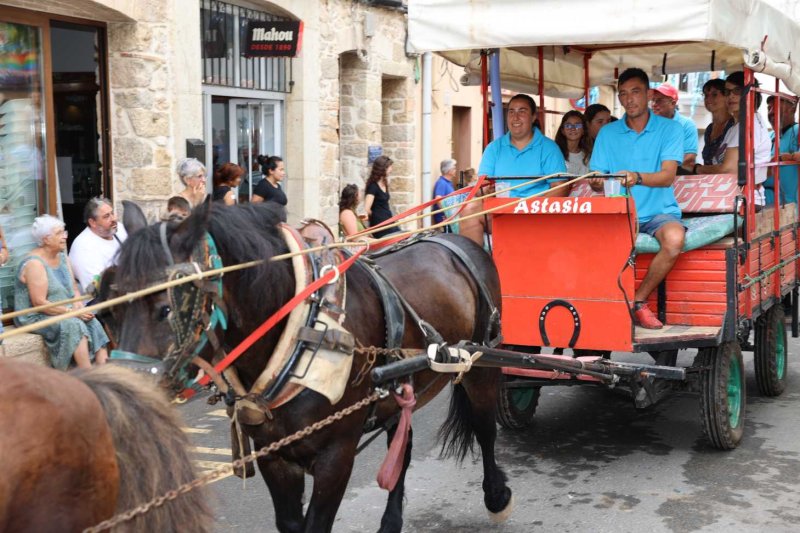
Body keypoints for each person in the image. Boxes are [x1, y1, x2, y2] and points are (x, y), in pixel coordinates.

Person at [589, 67, 685, 329]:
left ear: (648, 95)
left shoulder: (671, 129)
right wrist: (596, 181)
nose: (629, 99)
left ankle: (638, 301)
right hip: (619, 212)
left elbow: (667, 176)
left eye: (635, 92)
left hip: (658, 212)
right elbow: (598, 177)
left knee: (675, 239)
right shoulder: (608, 133)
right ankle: (602, 304)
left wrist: (636, 177)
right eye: (622, 94)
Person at [15, 215, 109, 370]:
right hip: (37, 315)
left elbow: (73, 288)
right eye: (59, 233)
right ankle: (88, 376)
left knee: (93, 322)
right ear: (46, 239)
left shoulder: (63, 258)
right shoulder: (34, 264)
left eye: (63, 232)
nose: (65, 236)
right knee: (74, 326)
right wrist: (72, 312)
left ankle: (105, 374)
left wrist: (79, 306)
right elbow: (39, 303)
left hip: (64, 310)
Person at [684, 72, 771, 208]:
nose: (731, 96)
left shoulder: (748, 124)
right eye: (727, 91)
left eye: (737, 91)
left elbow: (727, 169)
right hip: (729, 196)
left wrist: (697, 169)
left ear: (751, 94)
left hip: (744, 202)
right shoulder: (736, 127)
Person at [478, 94, 568, 198]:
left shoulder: (549, 148)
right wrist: (484, 190)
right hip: (500, 210)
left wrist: (531, 207)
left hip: (537, 211)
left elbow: (560, 187)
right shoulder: (493, 148)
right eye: (511, 112)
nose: (515, 117)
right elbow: (482, 184)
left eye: (522, 111)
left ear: (534, 117)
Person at [68, 197, 127, 294]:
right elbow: (98, 289)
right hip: (101, 302)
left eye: (112, 213)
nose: (114, 219)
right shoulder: (84, 247)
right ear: (93, 222)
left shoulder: (119, 228)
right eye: (106, 216)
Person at [651, 83, 699, 168]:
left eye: (659, 100)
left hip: (678, 176)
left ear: (673, 103)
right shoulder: (647, 124)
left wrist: (664, 171)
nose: (654, 104)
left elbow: (689, 158)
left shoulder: (687, 125)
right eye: (653, 100)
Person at [764, 95, 799, 205]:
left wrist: (781, 157)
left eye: (776, 107)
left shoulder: (797, 130)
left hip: (791, 207)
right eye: (769, 108)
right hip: (767, 201)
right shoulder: (768, 136)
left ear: (792, 109)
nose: (771, 112)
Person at [700, 78, 734, 165]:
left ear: (726, 97)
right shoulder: (709, 129)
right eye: (706, 95)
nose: (708, 99)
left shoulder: (733, 126)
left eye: (714, 94)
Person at [365, 155, 400, 238]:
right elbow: (367, 208)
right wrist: (377, 216)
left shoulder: (384, 183)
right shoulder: (373, 186)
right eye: (389, 167)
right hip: (380, 224)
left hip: (388, 220)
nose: (391, 169)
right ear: (382, 168)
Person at [555, 111, 591, 175]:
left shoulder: (587, 155)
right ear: (562, 130)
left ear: (583, 130)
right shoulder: (554, 152)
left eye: (577, 125)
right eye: (568, 125)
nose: (573, 128)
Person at [432, 158, 457, 226]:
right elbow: (438, 199)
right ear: (449, 170)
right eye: (454, 168)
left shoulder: (448, 183)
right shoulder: (442, 183)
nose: (455, 170)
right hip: (444, 218)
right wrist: (447, 213)